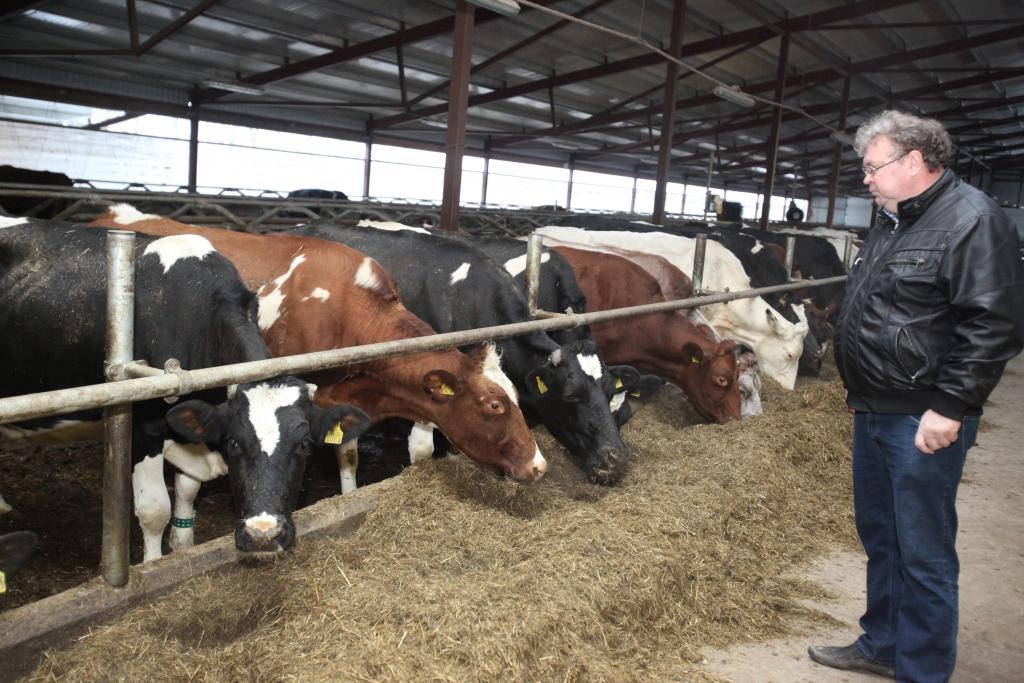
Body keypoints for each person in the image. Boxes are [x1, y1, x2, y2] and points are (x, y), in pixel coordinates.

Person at [810, 110, 1024, 682]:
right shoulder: (893, 219)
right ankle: (883, 645)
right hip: (874, 408)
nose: (865, 179)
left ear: (913, 161)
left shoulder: (972, 219)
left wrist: (950, 406)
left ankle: (923, 670)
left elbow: (994, 325)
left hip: (924, 417)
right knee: (883, 537)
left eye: (872, 167)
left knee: (923, 549)